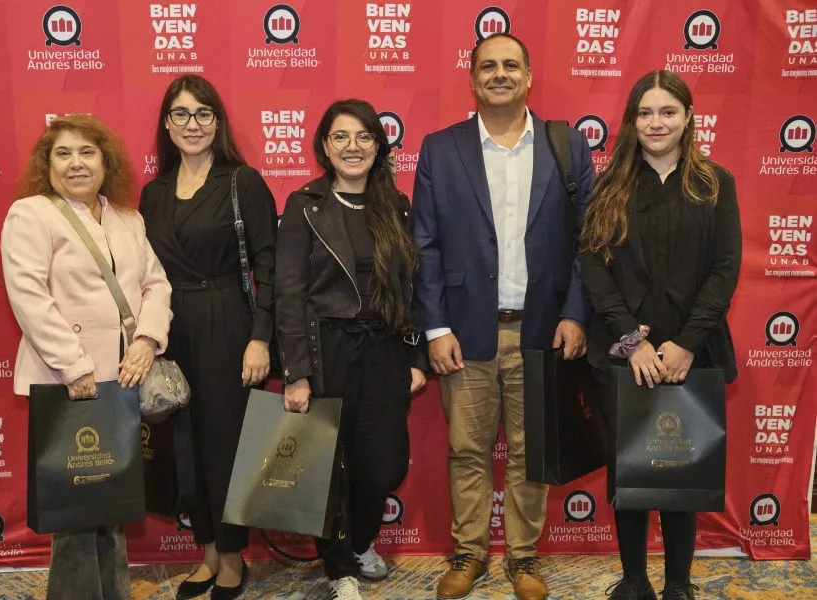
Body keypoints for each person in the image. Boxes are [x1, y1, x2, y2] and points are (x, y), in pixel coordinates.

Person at [412, 33, 594, 600]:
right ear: (472, 78)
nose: (499, 74)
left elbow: (589, 242)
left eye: (510, 65)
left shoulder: (567, 145)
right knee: (466, 450)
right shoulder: (441, 149)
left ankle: (523, 557)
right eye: (488, 65)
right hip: (465, 332)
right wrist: (436, 327)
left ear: (528, 76)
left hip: (542, 330)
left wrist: (576, 314)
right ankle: (469, 552)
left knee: (529, 452)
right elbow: (425, 245)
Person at [580, 70, 741, 600]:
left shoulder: (716, 184)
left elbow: (725, 268)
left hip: (691, 354)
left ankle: (677, 585)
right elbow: (594, 268)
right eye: (645, 113)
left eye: (668, 111)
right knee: (628, 473)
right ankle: (633, 581)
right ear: (632, 121)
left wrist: (688, 343)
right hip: (624, 355)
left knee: (681, 473)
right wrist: (633, 341)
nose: (656, 123)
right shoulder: (609, 186)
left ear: (688, 117)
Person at [1, 114, 173, 600]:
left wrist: (147, 340)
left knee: (110, 503)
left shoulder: (128, 218)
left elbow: (156, 284)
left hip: (122, 381)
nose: (76, 163)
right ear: (47, 165)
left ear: (106, 162)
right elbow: (29, 296)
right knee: (75, 512)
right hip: (67, 381)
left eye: (87, 152)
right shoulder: (31, 214)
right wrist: (74, 366)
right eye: (63, 153)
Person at [275, 98, 427, 600]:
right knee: (326, 465)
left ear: (378, 146)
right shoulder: (305, 204)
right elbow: (289, 293)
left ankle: (360, 542)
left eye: (364, 137)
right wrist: (296, 372)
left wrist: (414, 356)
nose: (352, 146)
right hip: (327, 350)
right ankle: (340, 566)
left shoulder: (395, 205)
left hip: (384, 350)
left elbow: (411, 289)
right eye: (340, 136)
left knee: (383, 464)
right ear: (325, 145)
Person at [138, 75, 277, 600]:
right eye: (181, 114)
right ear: (166, 124)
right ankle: (209, 551)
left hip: (228, 326)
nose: (192, 124)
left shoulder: (243, 182)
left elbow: (271, 268)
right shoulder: (152, 193)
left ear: (217, 123)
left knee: (225, 445)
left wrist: (260, 338)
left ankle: (234, 557)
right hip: (171, 328)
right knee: (186, 445)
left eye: (202, 113)